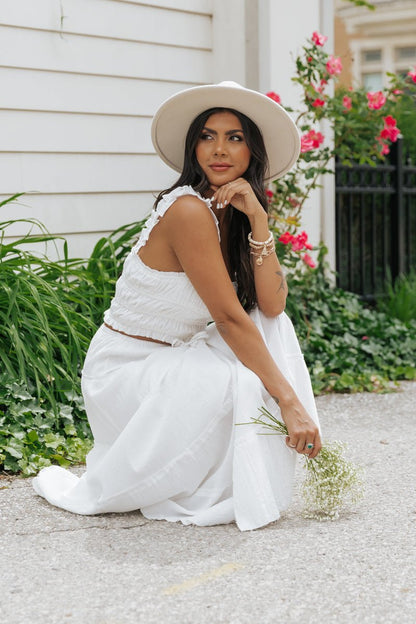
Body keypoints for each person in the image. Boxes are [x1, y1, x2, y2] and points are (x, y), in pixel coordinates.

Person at [33, 81, 322, 531]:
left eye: (235, 137)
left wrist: (260, 220)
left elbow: (271, 304)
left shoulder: (233, 210)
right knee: (235, 382)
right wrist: (289, 401)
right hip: (125, 371)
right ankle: (205, 486)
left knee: (270, 328)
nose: (219, 150)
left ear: (253, 151)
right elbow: (226, 318)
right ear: (193, 147)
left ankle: (228, 476)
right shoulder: (188, 210)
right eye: (207, 136)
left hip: (172, 357)